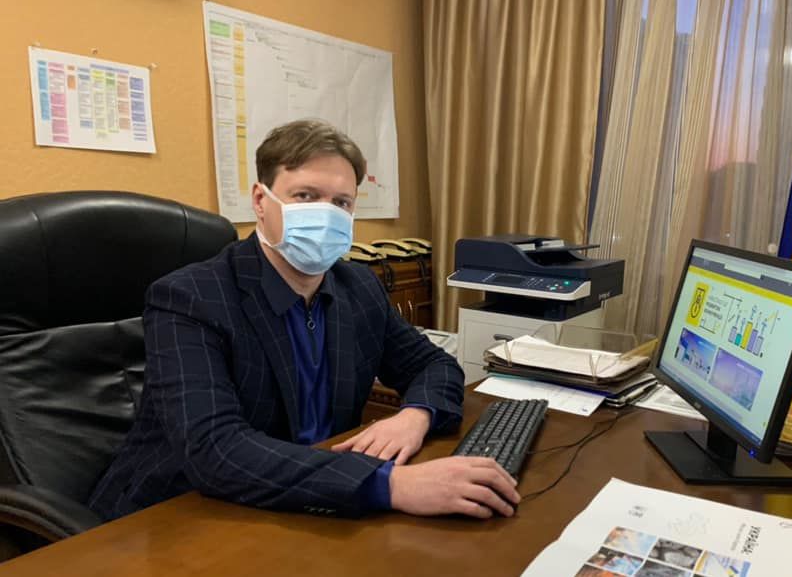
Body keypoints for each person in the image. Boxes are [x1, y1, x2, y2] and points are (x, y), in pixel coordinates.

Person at [89, 119, 519, 521]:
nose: (326, 214)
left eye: (342, 202)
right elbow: (214, 449)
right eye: (306, 196)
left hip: (307, 502)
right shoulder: (189, 298)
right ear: (261, 201)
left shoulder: (358, 287)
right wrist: (389, 484)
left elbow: (434, 365)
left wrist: (415, 415)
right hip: (177, 515)